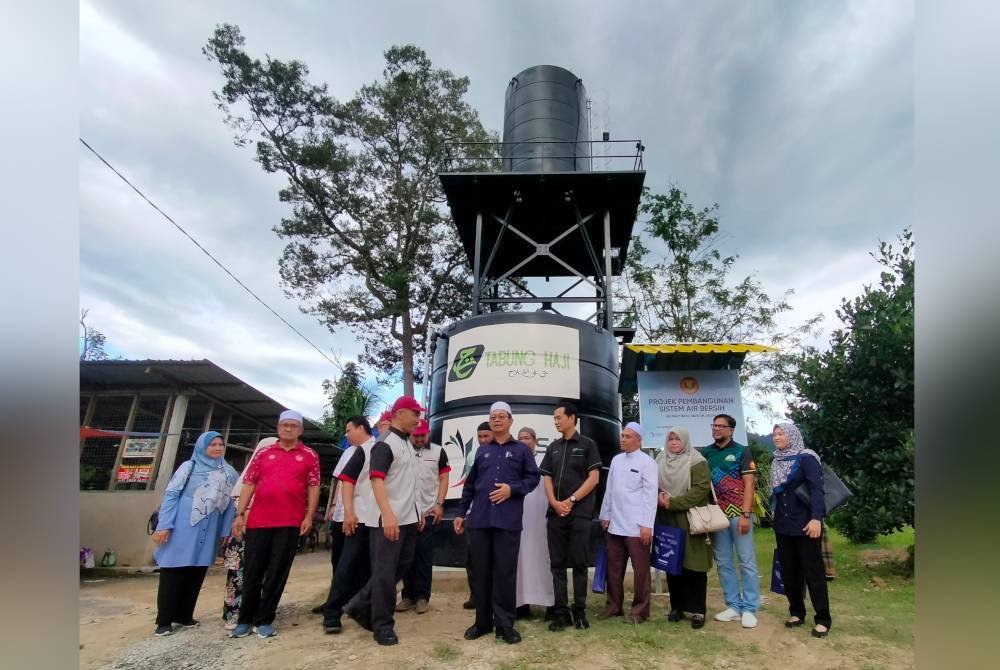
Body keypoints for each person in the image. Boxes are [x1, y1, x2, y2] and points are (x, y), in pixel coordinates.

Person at [230, 410, 320, 639]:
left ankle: (264, 619)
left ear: (300, 430)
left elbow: (313, 486)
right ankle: (245, 619)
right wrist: (240, 514)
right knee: (252, 571)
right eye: (284, 425)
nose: (288, 429)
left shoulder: (309, 455)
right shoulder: (264, 453)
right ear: (278, 427)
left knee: (277, 572)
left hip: (290, 522)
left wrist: (309, 516)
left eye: (293, 425)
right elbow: (249, 483)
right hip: (259, 521)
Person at [455, 401, 540, 645]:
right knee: (481, 574)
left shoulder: (522, 451)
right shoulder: (482, 451)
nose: (497, 420)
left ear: (510, 421)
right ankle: (482, 622)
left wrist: (511, 490)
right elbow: (470, 484)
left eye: (502, 416)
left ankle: (505, 625)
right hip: (480, 520)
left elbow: (532, 479)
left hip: (507, 522)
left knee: (505, 574)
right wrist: (461, 512)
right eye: (493, 417)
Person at [343, 396, 424, 646]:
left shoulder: (407, 444)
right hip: (388, 519)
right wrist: (388, 515)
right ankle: (382, 625)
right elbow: (377, 480)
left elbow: (408, 483)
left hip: (408, 518)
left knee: (401, 565)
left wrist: (417, 511)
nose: (418, 419)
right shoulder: (385, 443)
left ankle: (359, 604)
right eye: (415, 413)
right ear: (399, 413)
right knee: (386, 573)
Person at [151, 431, 238, 637]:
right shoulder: (188, 467)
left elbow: (231, 504)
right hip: (183, 524)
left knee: (196, 571)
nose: (217, 448)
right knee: (173, 570)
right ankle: (164, 620)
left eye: (220, 444)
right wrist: (165, 525)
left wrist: (225, 530)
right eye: (212, 445)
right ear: (201, 447)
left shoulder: (229, 472)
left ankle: (184, 615)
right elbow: (171, 495)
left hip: (210, 526)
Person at [539, 401, 602, 631]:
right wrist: (555, 503)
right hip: (556, 514)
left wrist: (571, 500)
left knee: (579, 563)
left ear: (572, 418)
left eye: (558, 417)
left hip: (580, 514)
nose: (555, 421)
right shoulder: (553, 447)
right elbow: (546, 477)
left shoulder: (587, 445)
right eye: (554, 418)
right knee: (557, 565)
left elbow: (593, 478)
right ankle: (561, 613)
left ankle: (580, 611)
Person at [699, 413, 761, 629]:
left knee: (746, 561)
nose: (716, 429)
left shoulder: (741, 451)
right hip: (717, 516)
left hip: (739, 515)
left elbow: (749, 484)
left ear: (731, 430)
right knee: (724, 562)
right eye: (714, 426)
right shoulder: (706, 453)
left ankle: (750, 608)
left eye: (721, 426)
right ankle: (734, 606)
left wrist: (745, 514)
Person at [770, 422, 831, 638]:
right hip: (783, 525)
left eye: (781, 434)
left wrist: (816, 519)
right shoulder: (776, 459)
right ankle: (796, 611)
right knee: (789, 571)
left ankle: (823, 619)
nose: (776, 437)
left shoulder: (806, 458)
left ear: (792, 435)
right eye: (774, 434)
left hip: (805, 524)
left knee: (813, 572)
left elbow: (816, 490)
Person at [321, 416, 376, 634]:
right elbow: (346, 481)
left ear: (361, 428)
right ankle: (332, 613)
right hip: (358, 517)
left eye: (348, 430)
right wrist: (348, 513)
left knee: (367, 568)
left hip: (376, 518)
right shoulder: (357, 452)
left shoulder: (378, 448)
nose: (346, 434)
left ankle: (360, 608)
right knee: (346, 565)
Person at [597, 422, 657, 623]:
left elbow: (650, 497)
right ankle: (614, 607)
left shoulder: (647, 463)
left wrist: (647, 525)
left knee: (641, 571)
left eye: (628, 436)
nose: (623, 439)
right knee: (613, 570)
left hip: (637, 527)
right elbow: (610, 491)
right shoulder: (616, 460)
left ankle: (639, 611)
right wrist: (605, 515)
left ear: (639, 440)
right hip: (615, 525)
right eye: (622, 435)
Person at [656, 426, 713, 629]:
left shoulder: (697, 461)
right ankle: (676, 607)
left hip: (690, 519)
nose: (673, 443)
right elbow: (654, 484)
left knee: (694, 566)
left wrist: (673, 503)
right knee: (673, 565)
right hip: (667, 519)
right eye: (670, 439)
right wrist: (659, 497)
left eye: (677, 439)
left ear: (685, 441)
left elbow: (700, 491)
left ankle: (698, 610)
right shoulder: (661, 460)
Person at [223, 437, 277, 630]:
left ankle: (258, 615)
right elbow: (238, 503)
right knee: (238, 574)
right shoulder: (249, 476)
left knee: (264, 573)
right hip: (244, 532)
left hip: (268, 531)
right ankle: (234, 614)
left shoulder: (276, 477)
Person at [397, 419, 450, 614]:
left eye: (422, 435)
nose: (419, 439)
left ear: (428, 434)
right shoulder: (403, 452)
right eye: (415, 435)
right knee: (406, 557)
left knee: (424, 556)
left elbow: (444, 478)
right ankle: (407, 596)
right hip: (406, 513)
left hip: (428, 513)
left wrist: (439, 504)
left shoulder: (438, 452)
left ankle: (422, 598)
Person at [515, 427, 554, 620]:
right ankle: (521, 605)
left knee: (544, 560)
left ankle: (549, 604)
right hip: (519, 520)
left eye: (527, 438)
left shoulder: (544, 461)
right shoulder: (514, 461)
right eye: (520, 438)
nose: (524, 441)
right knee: (520, 562)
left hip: (542, 519)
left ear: (535, 440)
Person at [462, 420, 495, 610]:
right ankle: (476, 595)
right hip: (473, 515)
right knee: (472, 558)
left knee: (494, 559)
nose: (483, 440)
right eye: (480, 437)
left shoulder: (503, 453)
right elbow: (468, 486)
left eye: (486, 436)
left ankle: (493, 597)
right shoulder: (474, 456)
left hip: (495, 516)